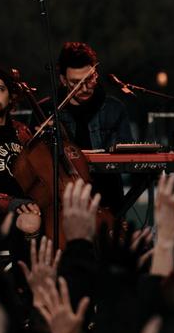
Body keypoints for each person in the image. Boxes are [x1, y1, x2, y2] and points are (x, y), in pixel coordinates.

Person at [53, 42, 135, 210]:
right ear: (62, 80)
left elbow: (128, 159)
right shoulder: (48, 111)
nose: (84, 88)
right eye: (75, 82)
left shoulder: (115, 109)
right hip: (63, 201)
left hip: (107, 199)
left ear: (95, 74)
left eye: (89, 79)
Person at [0, 65, 40, 231]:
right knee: (30, 222)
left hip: (27, 204)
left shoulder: (22, 131)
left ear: (11, 97)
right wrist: (11, 203)